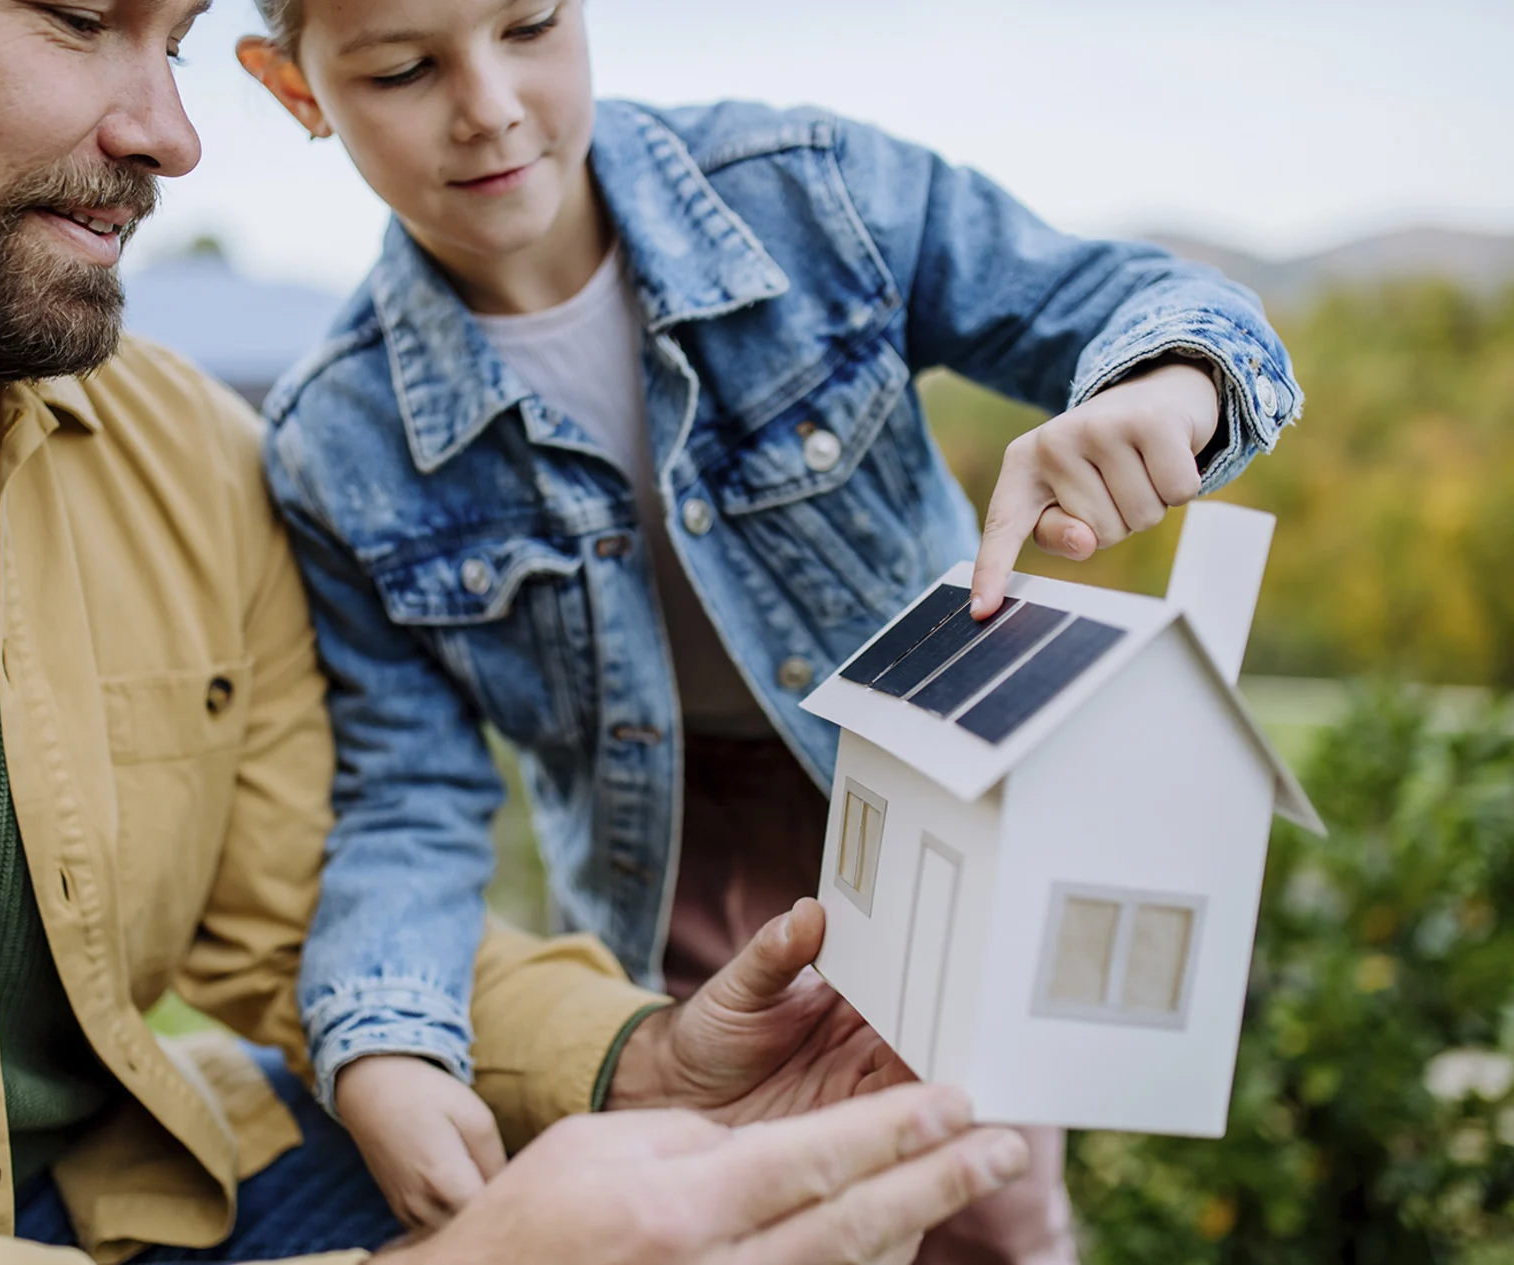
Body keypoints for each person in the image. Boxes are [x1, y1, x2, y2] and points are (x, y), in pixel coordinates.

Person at [0, 1, 1032, 1262]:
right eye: (80, 17)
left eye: (181, 42)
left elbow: (298, 913)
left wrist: (644, 1059)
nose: (172, 135)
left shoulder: (193, 459)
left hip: (139, 1190)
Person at [237, 0, 1306, 1257]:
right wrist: (389, 1038)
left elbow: (1129, 298)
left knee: (983, 1203)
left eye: (529, 25)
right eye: (406, 68)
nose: (488, 104)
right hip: (672, 891)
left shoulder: (809, 195)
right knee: (745, 1218)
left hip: (936, 801)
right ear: (296, 90)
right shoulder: (335, 440)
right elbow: (407, 789)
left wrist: (1163, 385)